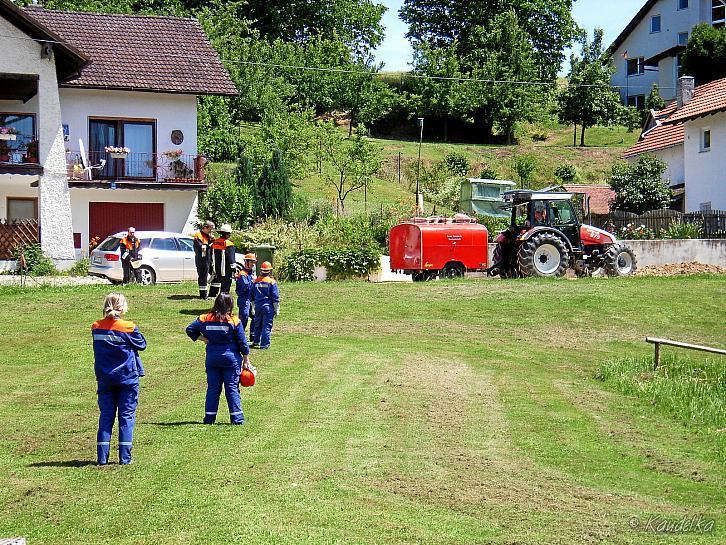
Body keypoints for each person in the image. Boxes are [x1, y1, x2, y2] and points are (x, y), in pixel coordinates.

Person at [91, 293, 147, 465]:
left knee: (106, 416)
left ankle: (102, 457)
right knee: (126, 416)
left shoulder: (96, 327)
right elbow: (142, 344)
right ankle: (125, 457)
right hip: (127, 377)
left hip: (105, 377)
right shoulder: (128, 327)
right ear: (122, 308)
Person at [186, 293, 251, 424]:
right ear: (230, 305)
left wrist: (203, 338)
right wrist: (246, 359)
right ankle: (237, 418)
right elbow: (243, 343)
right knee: (232, 388)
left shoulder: (205, 318)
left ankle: (209, 418)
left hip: (212, 358)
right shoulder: (234, 321)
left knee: (213, 388)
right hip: (230, 359)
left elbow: (190, 329)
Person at [251, 261, 280, 350]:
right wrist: (277, 309)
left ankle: (256, 341)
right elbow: (275, 297)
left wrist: (253, 307)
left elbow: (251, 296)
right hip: (268, 307)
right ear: (269, 271)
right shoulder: (272, 282)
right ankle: (264, 344)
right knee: (266, 326)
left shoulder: (255, 281)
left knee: (257, 325)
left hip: (258, 306)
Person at [208, 224, 236, 298]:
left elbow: (210, 256)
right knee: (225, 287)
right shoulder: (229, 244)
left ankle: (212, 295)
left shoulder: (214, 243)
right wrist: (234, 269)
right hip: (226, 270)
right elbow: (231, 258)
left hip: (216, 269)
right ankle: (223, 300)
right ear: (227, 234)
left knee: (215, 282)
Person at [235, 253, 257, 334]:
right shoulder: (243, 274)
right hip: (244, 298)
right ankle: (240, 335)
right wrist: (254, 282)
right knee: (244, 316)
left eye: (254, 262)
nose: (253, 264)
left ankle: (253, 336)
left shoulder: (252, 273)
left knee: (255, 316)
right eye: (251, 262)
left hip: (252, 298)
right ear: (246, 262)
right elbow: (246, 287)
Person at [193, 220, 215, 299]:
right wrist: (209, 245)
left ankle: (213, 293)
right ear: (205, 227)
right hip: (201, 261)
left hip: (209, 260)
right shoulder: (198, 235)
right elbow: (201, 248)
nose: (211, 231)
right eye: (211, 228)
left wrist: (212, 240)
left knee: (215, 275)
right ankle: (203, 295)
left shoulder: (208, 236)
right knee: (203, 277)